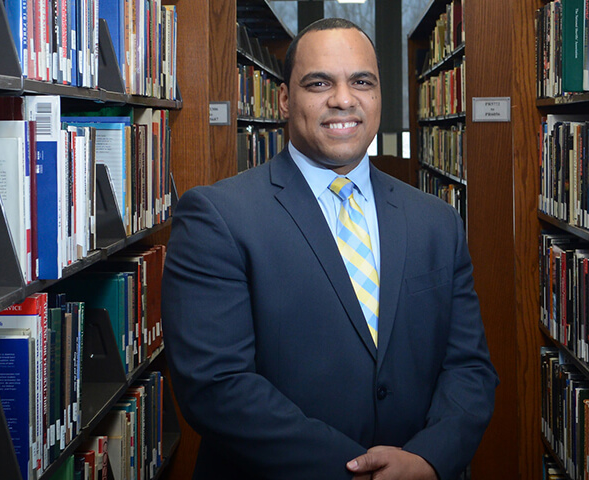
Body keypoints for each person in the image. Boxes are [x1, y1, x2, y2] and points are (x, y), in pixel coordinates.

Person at [162, 17, 498, 479]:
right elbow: (217, 387)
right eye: (319, 83)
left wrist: (429, 459)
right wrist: (357, 472)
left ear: (380, 96)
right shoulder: (217, 217)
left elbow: (469, 367)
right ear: (284, 99)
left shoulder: (436, 221)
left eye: (362, 82)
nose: (344, 99)